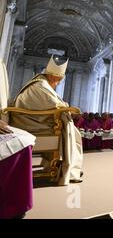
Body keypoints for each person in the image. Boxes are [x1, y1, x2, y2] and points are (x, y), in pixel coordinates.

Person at [9, 56, 83, 185]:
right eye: (58, 82)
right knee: (71, 130)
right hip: (27, 122)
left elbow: (52, 103)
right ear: (54, 77)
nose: (57, 85)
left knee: (70, 128)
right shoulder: (41, 85)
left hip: (27, 119)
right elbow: (54, 104)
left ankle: (58, 164)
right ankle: (69, 169)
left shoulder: (40, 82)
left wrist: (63, 106)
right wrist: (65, 107)